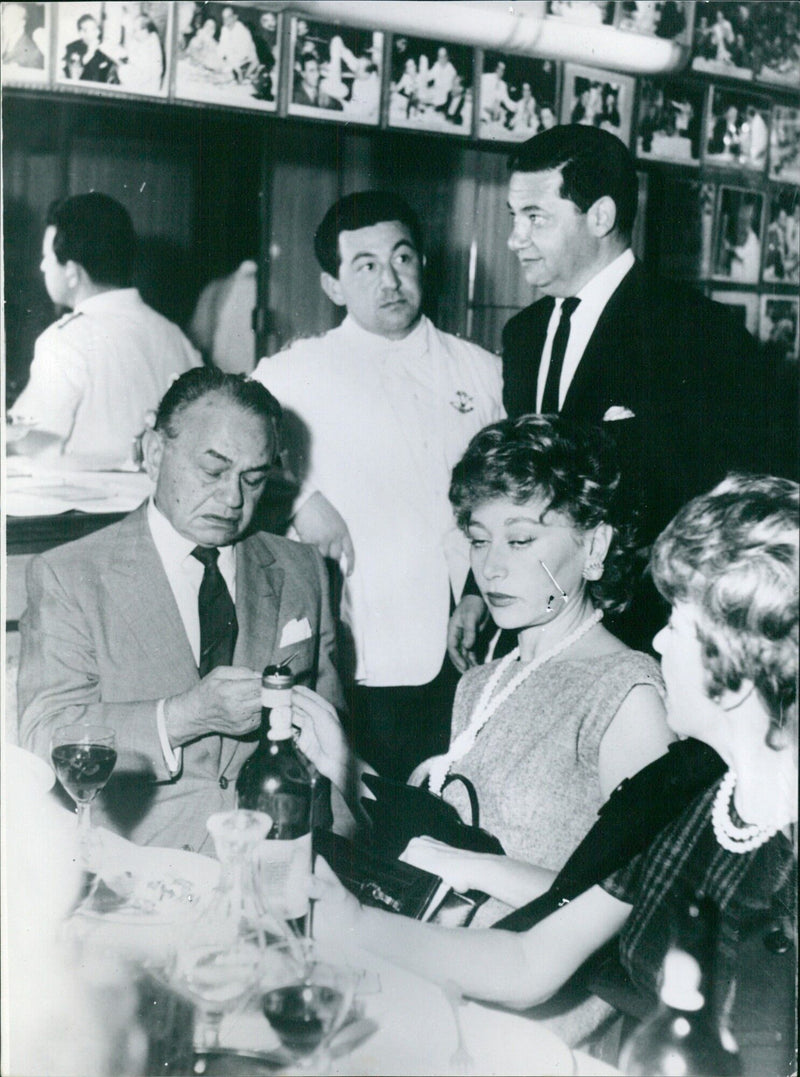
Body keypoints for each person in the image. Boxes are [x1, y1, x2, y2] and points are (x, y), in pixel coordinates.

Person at [313, 473, 798, 1075]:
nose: (657, 637)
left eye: (680, 623)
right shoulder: (681, 793)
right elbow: (528, 963)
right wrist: (355, 925)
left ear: (746, 658)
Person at [292, 415, 671, 930]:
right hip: (443, 961)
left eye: (519, 541)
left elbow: (639, 901)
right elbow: (432, 848)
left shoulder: (626, 691)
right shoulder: (480, 683)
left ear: (595, 547)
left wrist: (474, 868)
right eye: (478, 540)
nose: (490, 568)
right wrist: (343, 765)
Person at [448, 124, 796, 664]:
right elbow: (516, 488)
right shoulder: (523, 335)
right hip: (546, 628)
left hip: (655, 634)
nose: (515, 237)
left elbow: (732, 500)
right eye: (515, 218)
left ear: (601, 217)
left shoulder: (695, 330)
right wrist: (478, 592)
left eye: (535, 218)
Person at [17, 368, 344, 853]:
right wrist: (183, 716)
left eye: (252, 480)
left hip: (278, 860)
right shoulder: (71, 575)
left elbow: (331, 731)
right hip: (137, 869)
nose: (233, 498)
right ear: (154, 454)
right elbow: (45, 738)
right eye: (212, 471)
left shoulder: (303, 570)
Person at [252, 191, 504, 781]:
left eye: (403, 259)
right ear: (333, 285)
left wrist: (476, 588)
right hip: (365, 632)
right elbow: (230, 468)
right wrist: (299, 500)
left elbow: (508, 495)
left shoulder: (482, 370)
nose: (390, 280)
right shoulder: (292, 375)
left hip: (476, 624)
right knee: (373, 800)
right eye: (365, 265)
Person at [8, 192, 201, 465]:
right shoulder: (174, 336)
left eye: (46, 257)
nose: (42, 267)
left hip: (86, 504)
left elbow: (34, 443)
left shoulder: (64, 341)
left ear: (72, 272)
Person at [62, 13, 119, 84]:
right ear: (81, 33)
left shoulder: (102, 52)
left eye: (96, 29)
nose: (97, 33)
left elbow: (112, 79)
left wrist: (115, 58)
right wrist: (90, 53)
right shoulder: (72, 48)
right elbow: (73, 77)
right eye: (92, 30)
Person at [217, 4, 257, 82]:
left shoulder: (243, 32)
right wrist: (219, 59)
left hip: (246, 64)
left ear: (235, 17)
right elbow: (221, 48)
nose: (225, 19)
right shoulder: (224, 29)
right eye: (223, 17)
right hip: (231, 62)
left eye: (228, 16)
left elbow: (243, 54)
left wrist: (229, 65)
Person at [1, 2, 44, 68]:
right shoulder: (6, 43)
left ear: (22, 23)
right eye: (4, 18)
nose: (3, 24)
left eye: (9, 19)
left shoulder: (32, 53)